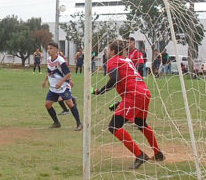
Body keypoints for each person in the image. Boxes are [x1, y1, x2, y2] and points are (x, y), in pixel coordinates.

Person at [93, 39, 163, 169]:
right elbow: (127, 79)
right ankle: (158, 153)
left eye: (109, 49)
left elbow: (115, 80)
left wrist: (101, 91)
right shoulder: (127, 60)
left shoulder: (113, 61)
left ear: (113, 51)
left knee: (114, 126)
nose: (108, 52)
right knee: (141, 123)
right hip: (144, 93)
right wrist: (121, 102)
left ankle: (140, 155)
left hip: (134, 95)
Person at [42, 41, 82, 130]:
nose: (49, 50)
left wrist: (60, 82)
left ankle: (79, 123)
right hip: (53, 87)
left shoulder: (61, 61)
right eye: (48, 48)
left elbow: (68, 74)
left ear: (56, 50)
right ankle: (56, 123)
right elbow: (50, 71)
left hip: (63, 86)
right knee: (48, 104)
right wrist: (45, 81)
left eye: (51, 48)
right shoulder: (49, 59)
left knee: (69, 103)